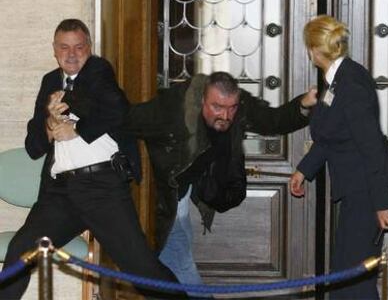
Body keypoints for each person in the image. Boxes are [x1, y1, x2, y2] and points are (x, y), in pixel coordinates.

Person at [0, 19, 185, 300]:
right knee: (19, 253)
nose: (71, 54)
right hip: (60, 193)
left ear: (90, 48)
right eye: (64, 47)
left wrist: (74, 128)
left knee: (140, 268)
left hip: (102, 188)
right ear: (54, 50)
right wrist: (50, 124)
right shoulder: (50, 81)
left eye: (79, 47)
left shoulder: (98, 71)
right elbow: (33, 146)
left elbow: (117, 109)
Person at [123, 72, 317, 289]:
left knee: (173, 270)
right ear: (202, 100)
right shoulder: (172, 109)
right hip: (164, 198)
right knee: (179, 267)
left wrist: (304, 103)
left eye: (231, 108)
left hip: (184, 195)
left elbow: (272, 121)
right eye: (217, 107)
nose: (225, 116)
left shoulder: (239, 106)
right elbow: (126, 120)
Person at [289, 15, 388, 299]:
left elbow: (372, 146)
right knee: (346, 278)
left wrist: (382, 203)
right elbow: (333, 135)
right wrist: (304, 170)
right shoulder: (339, 79)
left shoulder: (348, 85)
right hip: (358, 192)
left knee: (353, 283)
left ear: (313, 50)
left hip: (366, 193)